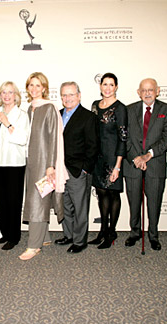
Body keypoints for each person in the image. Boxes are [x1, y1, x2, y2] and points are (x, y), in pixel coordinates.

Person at [20, 72, 68, 260]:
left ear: (44, 88)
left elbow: (54, 138)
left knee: (37, 202)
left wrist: (50, 166)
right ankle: (44, 237)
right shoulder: (30, 108)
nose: (34, 89)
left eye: (38, 86)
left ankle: (34, 246)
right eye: (31, 85)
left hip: (44, 163)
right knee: (39, 199)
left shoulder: (49, 108)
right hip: (30, 161)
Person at [123, 78, 167, 251]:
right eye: (143, 90)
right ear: (138, 92)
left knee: (154, 203)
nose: (147, 93)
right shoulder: (129, 110)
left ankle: (153, 235)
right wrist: (136, 157)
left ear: (158, 90)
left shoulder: (166, 109)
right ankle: (134, 232)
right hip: (133, 165)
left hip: (155, 164)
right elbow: (125, 138)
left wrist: (148, 156)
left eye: (150, 89)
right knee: (134, 202)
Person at [0, 82, 30, 251]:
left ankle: (14, 236)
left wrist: (7, 123)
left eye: (10, 92)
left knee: (13, 201)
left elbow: (23, 139)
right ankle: (4, 233)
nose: (7, 95)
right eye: (4, 92)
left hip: (14, 164)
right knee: (0, 200)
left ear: (16, 95)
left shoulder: (22, 115)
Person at [54, 82, 98, 254]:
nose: (68, 98)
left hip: (77, 170)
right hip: (59, 169)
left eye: (71, 94)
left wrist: (84, 169)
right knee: (64, 205)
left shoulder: (88, 117)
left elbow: (93, 146)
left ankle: (80, 241)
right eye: (64, 95)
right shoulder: (57, 115)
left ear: (79, 95)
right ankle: (69, 235)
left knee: (80, 207)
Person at [89, 73, 128, 249]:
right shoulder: (95, 106)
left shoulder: (120, 109)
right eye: (105, 84)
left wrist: (118, 166)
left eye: (111, 85)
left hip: (114, 158)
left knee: (113, 194)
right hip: (98, 158)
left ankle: (111, 232)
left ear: (116, 87)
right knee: (101, 194)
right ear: (100, 86)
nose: (107, 88)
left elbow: (123, 138)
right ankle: (103, 230)